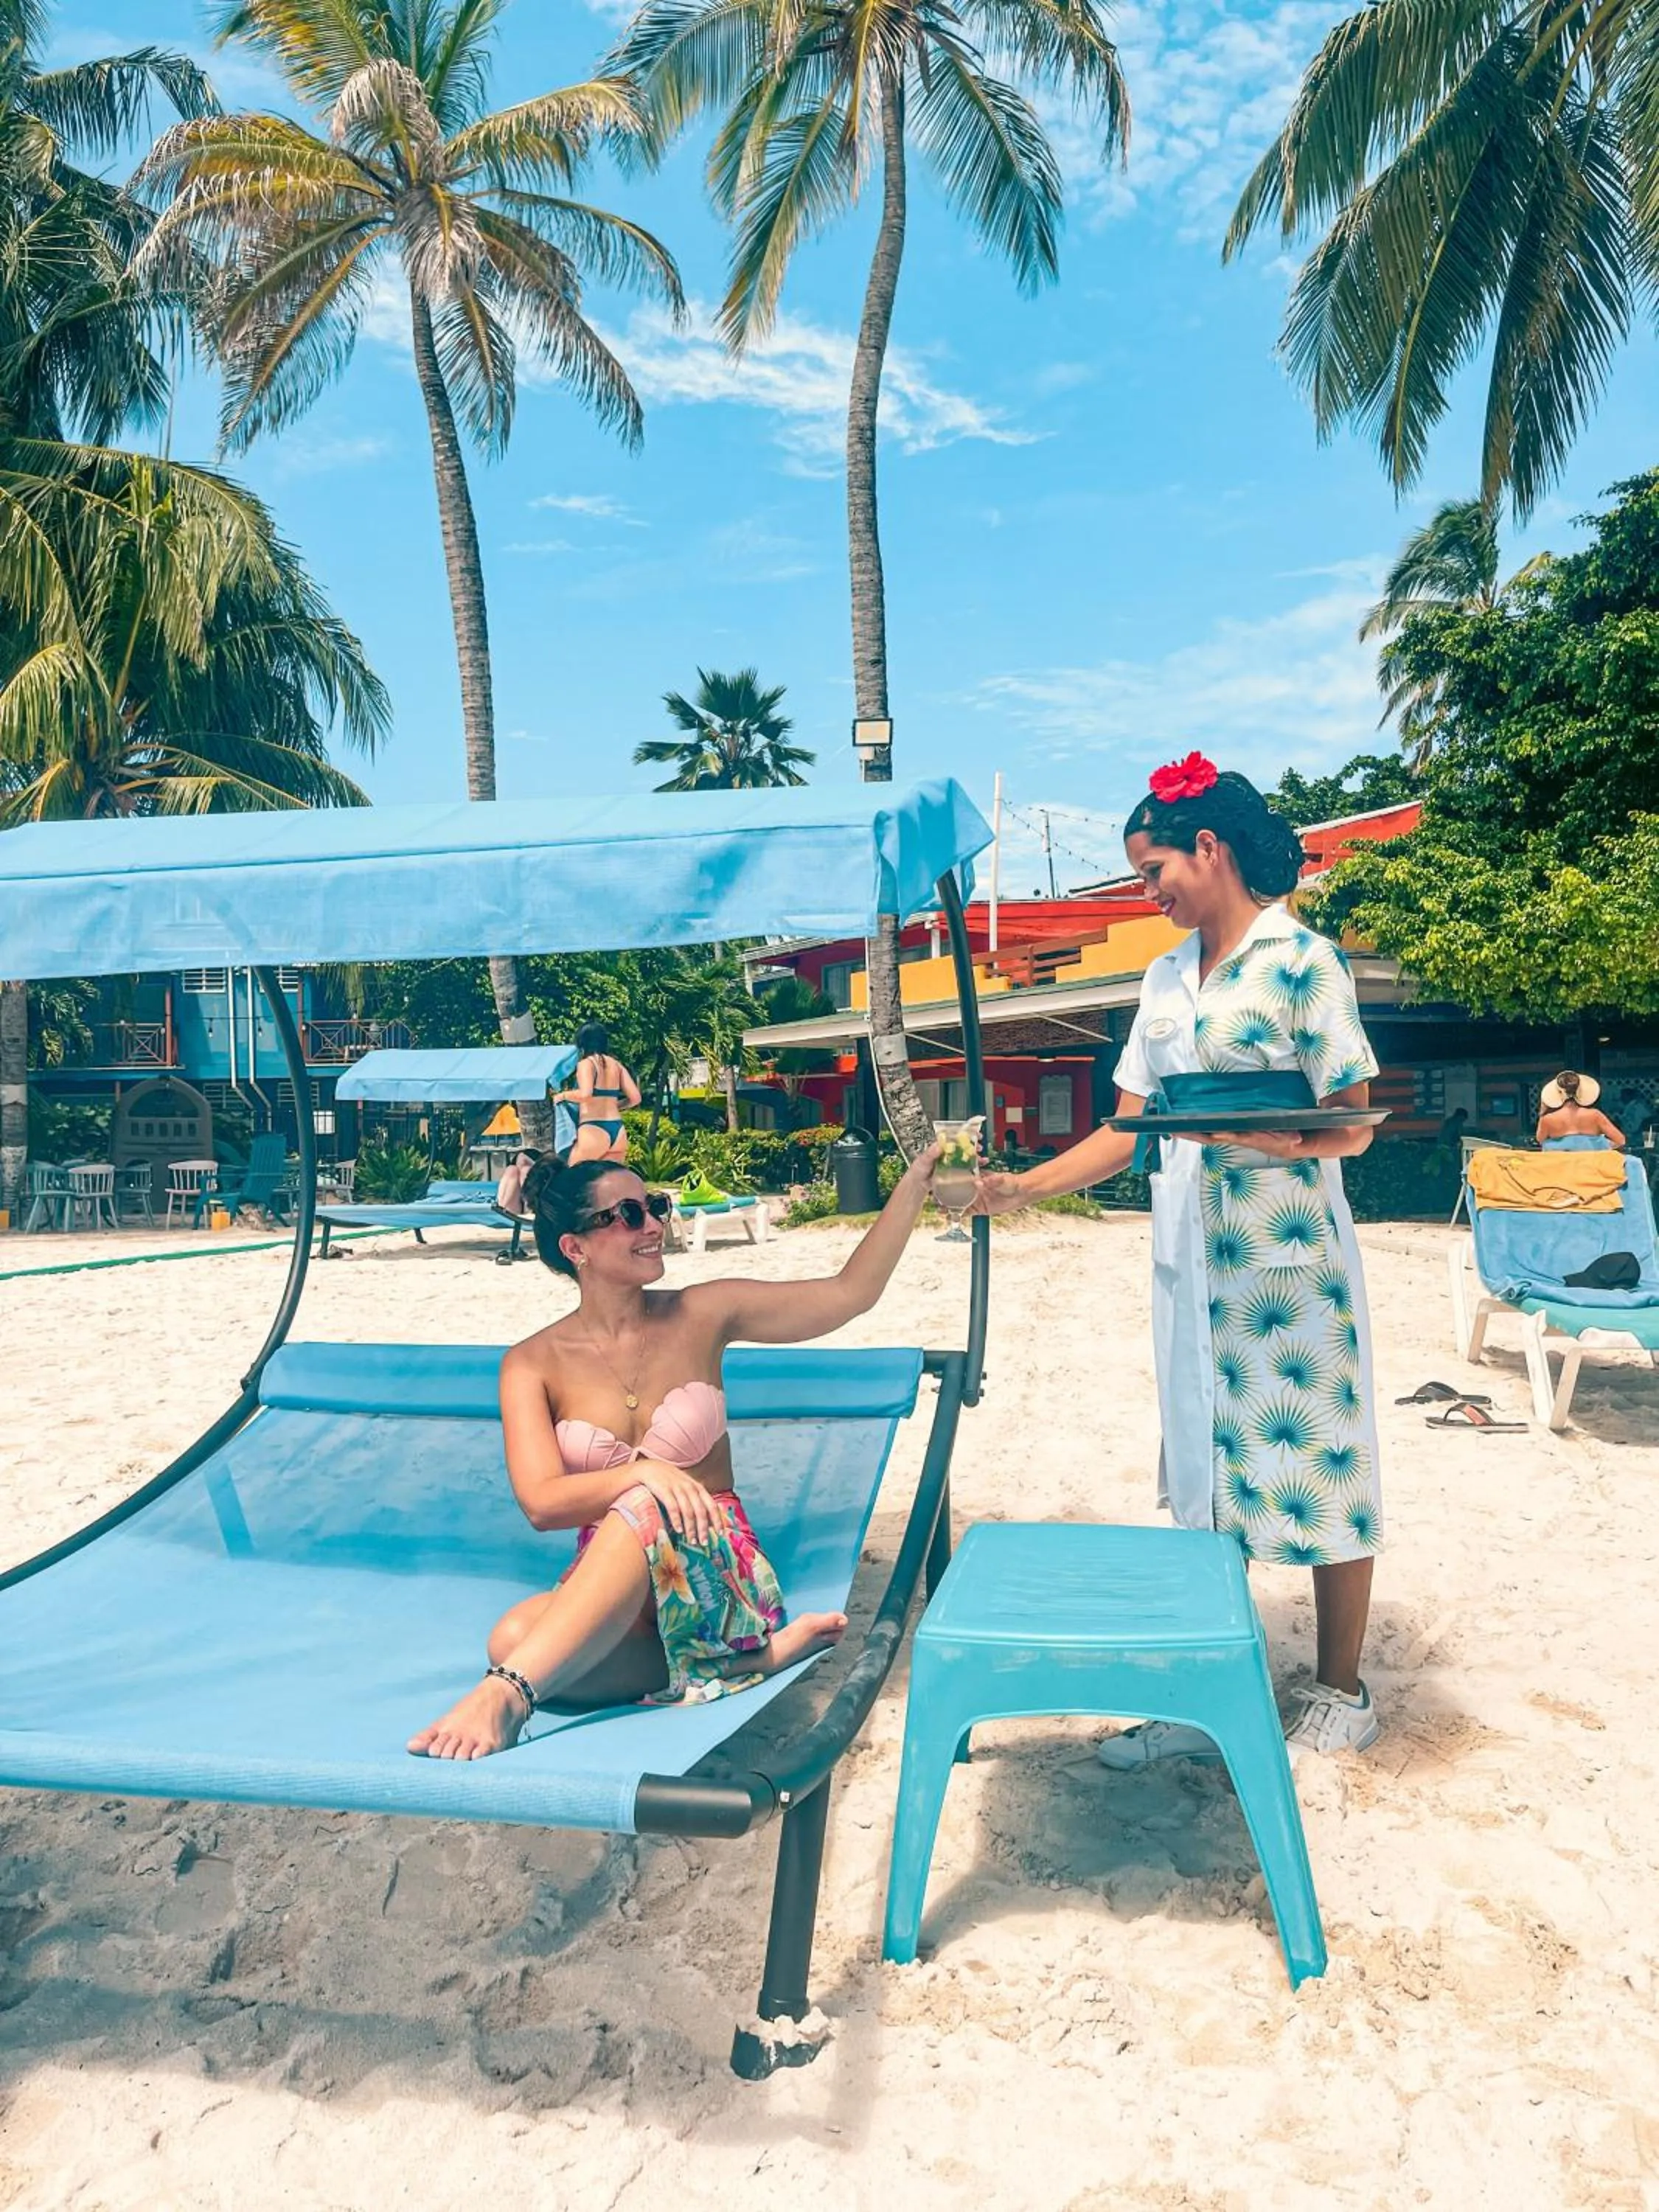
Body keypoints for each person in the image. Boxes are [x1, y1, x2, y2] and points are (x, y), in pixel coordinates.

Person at [975, 754, 1385, 1761]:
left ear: (1209, 849)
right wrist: (1018, 1188)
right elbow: (1131, 1128)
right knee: (1204, 1476)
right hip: (1186, 1265)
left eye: (1153, 869)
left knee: (1321, 1459)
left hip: (1286, 1260)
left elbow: (1353, 1122)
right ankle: (1207, 1686)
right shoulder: (1160, 981)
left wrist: (1292, 1144)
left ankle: (1341, 1689)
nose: (1145, 892)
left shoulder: (1302, 960)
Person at [409, 1142, 940, 1759]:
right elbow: (541, 1503)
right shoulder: (531, 1363)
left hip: (715, 1568)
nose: (655, 1226)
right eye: (628, 1215)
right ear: (574, 1248)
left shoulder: (704, 1312)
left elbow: (850, 1293)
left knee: (633, 1511)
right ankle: (745, 1663)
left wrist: (915, 1184)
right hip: (615, 1588)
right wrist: (652, 1472)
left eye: (654, 1207)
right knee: (512, 1635)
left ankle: (507, 1699)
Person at [559, 1023, 641, 1166]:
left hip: (593, 1129)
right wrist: (616, 1106)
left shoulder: (586, 1064)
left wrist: (562, 1096)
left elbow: (586, 1094)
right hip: (618, 1131)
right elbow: (635, 1098)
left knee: (571, 1178)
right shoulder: (617, 1065)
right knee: (610, 1185)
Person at [1537, 1071, 1624, 1152]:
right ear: (1581, 1091)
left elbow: (1540, 1140)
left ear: (1557, 1093)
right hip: (1592, 1165)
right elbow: (1620, 1140)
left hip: (1562, 1166)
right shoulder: (1595, 1115)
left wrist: (1543, 1110)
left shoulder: (1547, 1119)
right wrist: (1600, 1147)